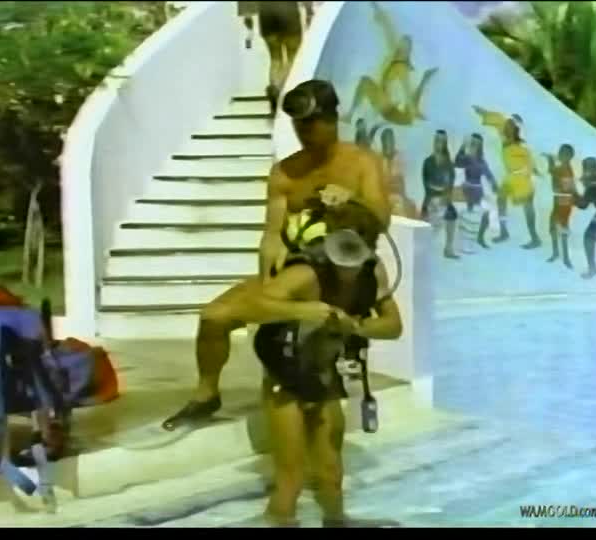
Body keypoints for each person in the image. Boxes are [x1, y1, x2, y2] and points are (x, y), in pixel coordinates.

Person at [162, 79, 392, 431]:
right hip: (294, 271)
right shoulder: (285, 172)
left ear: (332, 119)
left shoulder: (362, 163)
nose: (304, 132)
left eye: (311, 124)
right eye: (299, 125)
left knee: (287, 329)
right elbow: (272, 235)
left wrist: (352, 201)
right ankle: (206, 395)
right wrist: (268, 278)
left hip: (341, 277)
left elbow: (382, 220)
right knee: (213, 317)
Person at [250, 199, 402, 527]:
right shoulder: (306, 272)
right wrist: (307, 311)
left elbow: (393, 326)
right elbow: (255, 305)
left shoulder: (373, 272)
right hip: (285, 372)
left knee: (331, 470)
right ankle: (280, 519)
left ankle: (337, 521)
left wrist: (355, 326)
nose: (347, 265)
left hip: (323, 371)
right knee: (291, 476)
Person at [341, 2, 437, 126]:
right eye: (401, 47)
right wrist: (375, 6)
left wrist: (414, 111)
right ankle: (349, 115)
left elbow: (408, 91)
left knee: (366, 82)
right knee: (365, 82)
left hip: (394, 111)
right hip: (387, 105)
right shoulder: (394, 55)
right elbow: (388, 30)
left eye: (405, 49)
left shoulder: (402, 67)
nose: (401, 51)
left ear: (408, 53)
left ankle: (350, 115)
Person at [473, 106, 542, 249]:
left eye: (511, 126)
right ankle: (504, 232)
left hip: (522, 178)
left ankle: (535, 238)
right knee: (501, 199)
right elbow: (496, 118)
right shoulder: (503, 130)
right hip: (510, 176)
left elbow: (530, 161)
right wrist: (481, 112)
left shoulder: (522, 146)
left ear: (516, 130)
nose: (508, 127)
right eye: (508, 124)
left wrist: (534, 171)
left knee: (527, 207)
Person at [245, 1, 314, 111]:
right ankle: (284, 91)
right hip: (288, 13)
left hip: (266, 15)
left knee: (275, 59)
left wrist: (247, 15)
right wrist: (309, 11)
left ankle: (275, 86)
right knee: (292, 58)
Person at [454, 133, 498, 249]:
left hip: (477, 190)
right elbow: (457, 162)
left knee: (483, 213)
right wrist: (462, 147)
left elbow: (489, 174)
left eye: (476, 144)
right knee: (469, 214)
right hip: (468, 189)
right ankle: (466, 239)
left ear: (480, 146)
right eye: (472, 143)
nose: (474, 146)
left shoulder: (481, 161)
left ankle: (479, 237)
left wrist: (494, 184)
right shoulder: (467, 158)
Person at [421, 130, 459, 259]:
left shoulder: (449, 164)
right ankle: (422, 249)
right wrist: (434, 199)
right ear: (434, 142)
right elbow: (426, 185)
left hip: (444, 198)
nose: (439, 143)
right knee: (428, 224)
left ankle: (448, 249)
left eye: (442, 141)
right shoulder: (427, 162)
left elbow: (450, 185)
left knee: (452, 215)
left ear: (445, 143)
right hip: (430, 198)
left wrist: (445, 197)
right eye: (437, 140)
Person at [543, 144, 576, 268]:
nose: (561, 155)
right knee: (554, 227)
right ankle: (557, 253)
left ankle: (565, 257)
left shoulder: (565, 169)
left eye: (564, 154)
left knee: (561, 228)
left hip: (564, 201)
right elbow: (552, 171)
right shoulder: (563, 167)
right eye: (561, 153)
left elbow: (567, 187)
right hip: (559, 199)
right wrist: (550, 159)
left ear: (569, 157)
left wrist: (550, 159)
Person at [575, 157, 596, 279]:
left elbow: (582, 205)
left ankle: (592, 268)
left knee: (588, 237)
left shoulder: (591, 186)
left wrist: (573, 191)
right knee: (595, 226)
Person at [380, 127, 417, 218]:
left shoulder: (400, 157)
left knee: (401, 207)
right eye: (385, 141)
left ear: (393, 142)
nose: (388, 144)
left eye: (390, 141)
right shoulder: (379, 159)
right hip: (383, 195)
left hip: (397, 195)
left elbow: (399, 180)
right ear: (382, 143)